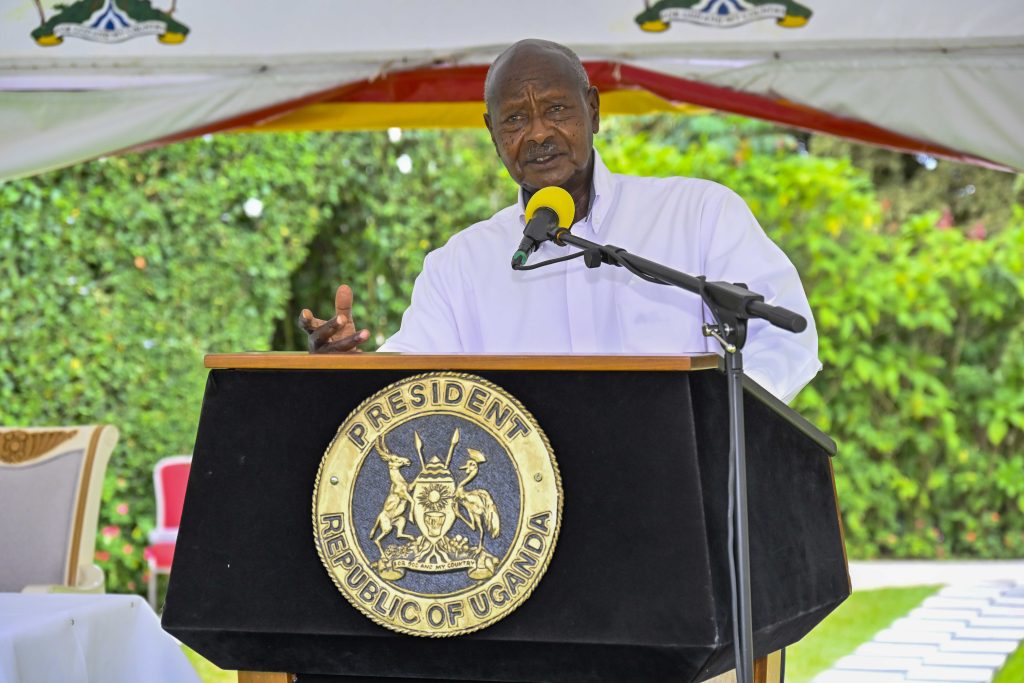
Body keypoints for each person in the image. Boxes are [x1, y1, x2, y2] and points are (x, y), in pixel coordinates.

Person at [299, 39, 820, 403]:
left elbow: (784, 339)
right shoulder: (460, 264)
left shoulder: (698, 214)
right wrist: (342, 367)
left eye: (557, 109)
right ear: (493, 133)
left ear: (593, 111)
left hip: (685, 496)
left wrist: (711, 432)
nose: (540, 133)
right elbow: (409, 376)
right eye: (516, 119)